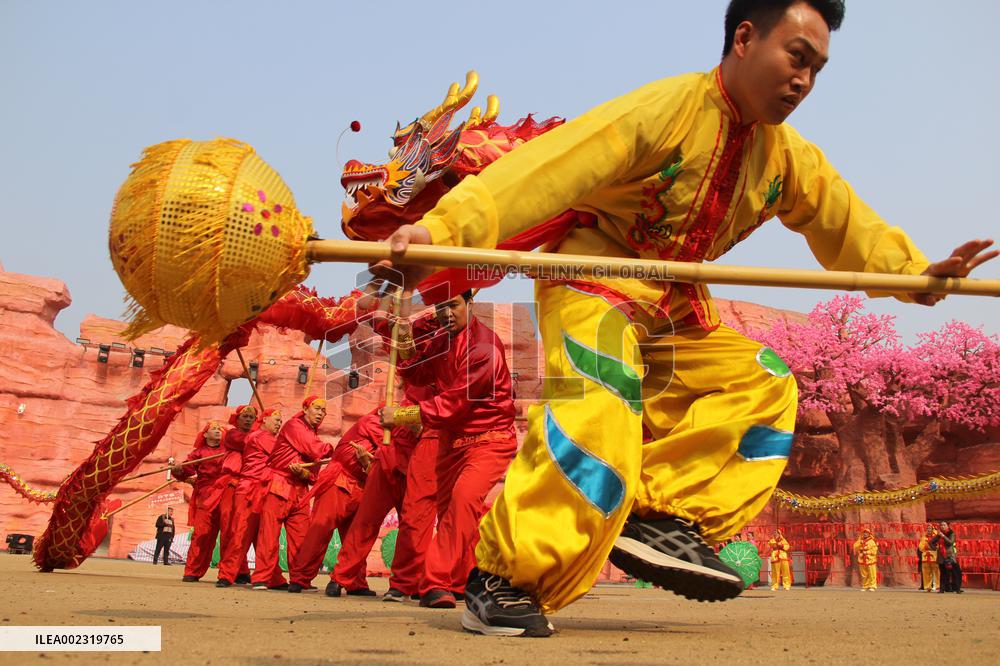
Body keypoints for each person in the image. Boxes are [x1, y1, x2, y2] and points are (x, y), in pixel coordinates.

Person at [375, 0, 998, 636]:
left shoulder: (787, 159)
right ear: (745, 38)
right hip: (593, 284)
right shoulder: (663, 109)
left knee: (764, 383)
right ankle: (503, 579)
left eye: (817, 69)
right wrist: (444, 232)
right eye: (797, 57)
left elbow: (847, 225)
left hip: (674, 306)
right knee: (598, 401)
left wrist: (917, 275)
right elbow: (544, 172)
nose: (804, 80)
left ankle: (660, 516)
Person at [382, 291, 517, 609]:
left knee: (462, 502)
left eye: (453, 305)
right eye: (440, 306)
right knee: (452, 516)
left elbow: (453, 404)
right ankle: (460, 581)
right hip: (450, 443)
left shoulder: (484, 347)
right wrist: (401, 337)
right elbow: (416, 372)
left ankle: (435, 582)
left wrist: (400, 415)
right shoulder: (442, 340)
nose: (446, 313)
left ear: (469, 305)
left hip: (489, 440)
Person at [287, 409, 386, 594]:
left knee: (355, 537)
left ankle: (355, 582)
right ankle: (300, 578)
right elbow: (389, 446)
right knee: (320, 530)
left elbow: (381, 462)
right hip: (339, 480)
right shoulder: (372, 421)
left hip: (362, 486)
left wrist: (367, 464)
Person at [251, 396, 332, 591]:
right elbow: (317, 450)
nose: (321, 413)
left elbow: (312, 472)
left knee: (301, 537)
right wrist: (333, 450)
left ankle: (299, 579)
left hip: (300, 489)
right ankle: (263, 577)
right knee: (270, 534)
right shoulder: (295, 426)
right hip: (280, 483)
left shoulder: (311, 433)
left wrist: (305, 473)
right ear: (305, 409)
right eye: (317, 408)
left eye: (324, 411)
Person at [218, 408, 282, 589]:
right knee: (240, 532)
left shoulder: (267, 438)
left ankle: (272, 577)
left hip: (266, 489)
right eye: (275, 420)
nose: (278, 423)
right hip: (248, 488)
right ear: (264, 421)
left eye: (280, 421)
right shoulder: (250, 436)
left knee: (267, 536)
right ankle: (227, 574)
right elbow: (280, 455)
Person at [171, 421, 228, 582]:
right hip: (206, 496)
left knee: (229, 534)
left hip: (227, 494)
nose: (218, 431)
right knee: (201, 534)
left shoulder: (229, 450)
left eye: (219, 429)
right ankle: (192, 571)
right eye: (213, 429)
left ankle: (230, 573)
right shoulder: (198, 453)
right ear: (204, 435)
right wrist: (178, 471)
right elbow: (186, 472)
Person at [215, 404, 257, 587]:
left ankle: (241, 569)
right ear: (237, 419)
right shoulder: (232, 434)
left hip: (250, 485)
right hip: (232, 485)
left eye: (251, 417)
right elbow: (247, 443)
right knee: (229, 527)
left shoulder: (256, 437)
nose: (248, 420)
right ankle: (232, 569)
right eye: (245, 416)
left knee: (245, 529)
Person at [931, 521, 963, 594]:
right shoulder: (938, 535)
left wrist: (943, 536)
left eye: (944, 525)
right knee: (943, 573)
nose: (942, 526)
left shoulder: (951, 533)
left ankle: (957, 589)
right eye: (941, 525)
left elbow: (950, 542)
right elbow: (931, 542)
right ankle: (942, 589)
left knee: (956, 573)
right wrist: (935, 548)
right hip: (941, 556)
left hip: (950, 556)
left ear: (947, 526)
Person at [918, 525, 939, 592]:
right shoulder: (924, 537)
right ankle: (928, 586)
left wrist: (932, 547)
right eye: (927, 528)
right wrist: (926, 547)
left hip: (935, 555)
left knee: (936, 571)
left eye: (930, 528)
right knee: (926, 572)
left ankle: (937, 586)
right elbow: (920, 547)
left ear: (932, 529)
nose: (929, 530)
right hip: (926, 556)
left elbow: (938, 545)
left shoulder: (936, 536)